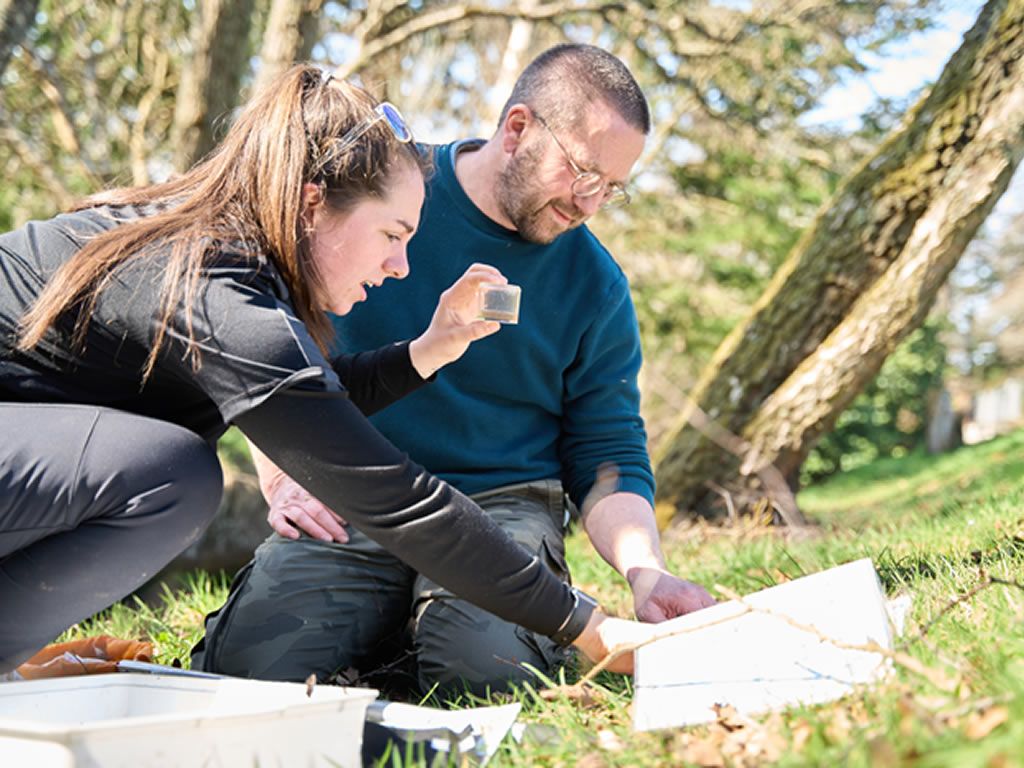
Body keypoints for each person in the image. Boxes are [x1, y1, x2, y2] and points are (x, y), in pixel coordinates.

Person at [0, 63, 651, 674]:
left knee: (168, 469)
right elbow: (391, 494)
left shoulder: (237, 252)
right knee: (170, 474)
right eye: (394, 236)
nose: (401, 267)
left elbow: (317, 399)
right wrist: (590, 628)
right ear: (313, 205)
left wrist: (426, 351)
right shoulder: (220, 298)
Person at [194, 45, 716, 696]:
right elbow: (271, 336)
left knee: (479, 669)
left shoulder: (595, 285)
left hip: (503, 507)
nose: (591, 203)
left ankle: (438, 634)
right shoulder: (385, 192)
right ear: (519, 128)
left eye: (611, 187)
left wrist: (646, 571)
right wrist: (282, 476)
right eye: (582, 172)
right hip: (358, 487)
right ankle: (387, 625)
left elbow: (608, 452)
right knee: (248, 672)